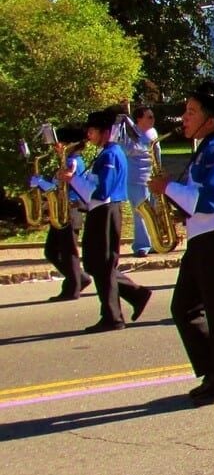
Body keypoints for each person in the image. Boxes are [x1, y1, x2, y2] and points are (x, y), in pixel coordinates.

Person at [148, 81, 214, 406]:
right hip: (202, 239)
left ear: (210, 119)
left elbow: (209, 201)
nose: (184, 117)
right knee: (184, 307)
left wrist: (167, 188)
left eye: (191, 112)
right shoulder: (204, 150)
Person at [61, 108, 152, 332]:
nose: (89, 135)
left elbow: (102, 191)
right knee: (95, 263)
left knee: (102, 264)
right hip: (99, 211)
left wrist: (72, 180)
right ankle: (134, 294)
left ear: (103, 131)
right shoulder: (105, 153)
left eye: (92, 131)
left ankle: (113, 315)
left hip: (106, 211)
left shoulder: (111, 155)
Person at [33, 126, 91, 301]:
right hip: (60, 209)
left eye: (61, 143)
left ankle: (72, 288)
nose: (56, 146)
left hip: (70, 209)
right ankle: (79, 277)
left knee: (68, 252)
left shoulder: (73, 162)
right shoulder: (67, 160)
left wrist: (41, 182)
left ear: (69, 144)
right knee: (51, 251)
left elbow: (62, 186)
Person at [121, 105, 157, 257]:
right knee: (141, 213)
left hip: (153, 178)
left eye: (152, 116)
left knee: (154, 212)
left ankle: (156, 242)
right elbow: (126, 151)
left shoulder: (153, 132)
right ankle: (142, 246)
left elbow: (157, 154)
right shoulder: (129, 133)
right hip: (137, 179)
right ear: (138, 119)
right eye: (149, 117)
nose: (152, 119)